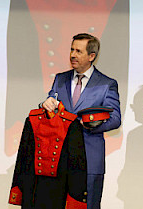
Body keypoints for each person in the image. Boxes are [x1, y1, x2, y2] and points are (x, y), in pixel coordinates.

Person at [40, 33, 122, 209]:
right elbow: (50, 102)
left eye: (78, 51)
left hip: (89, 158)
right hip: (60, 158)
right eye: (71, 49)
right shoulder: (60, 79)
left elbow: (115, 119)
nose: (72, 55)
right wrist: (45, 104)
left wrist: (91, 125)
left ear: (91, 56)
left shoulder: (106, 84)